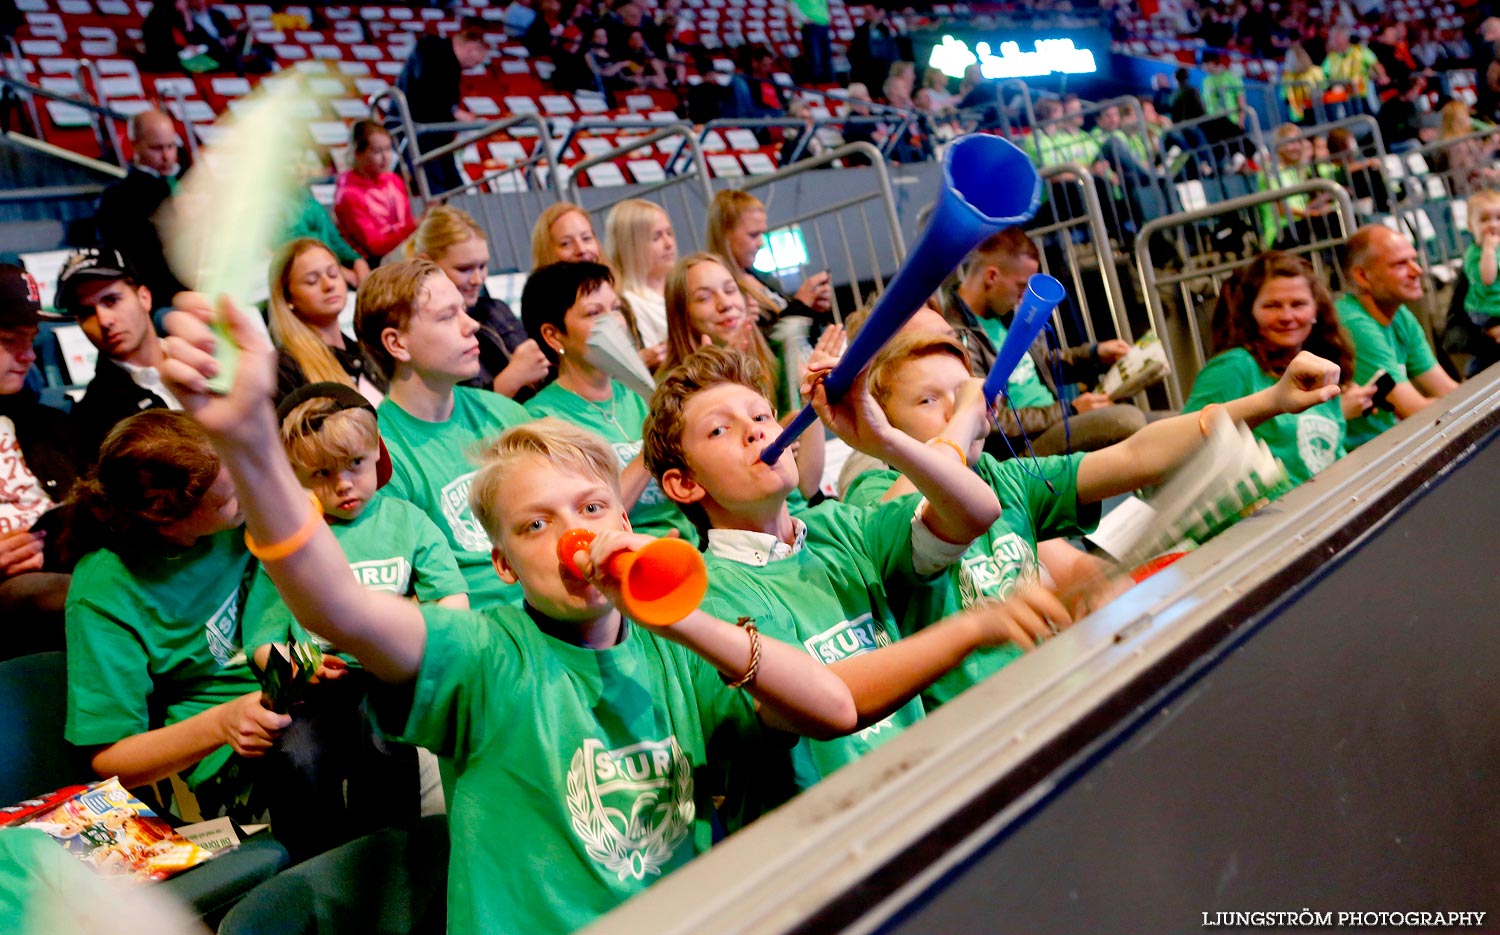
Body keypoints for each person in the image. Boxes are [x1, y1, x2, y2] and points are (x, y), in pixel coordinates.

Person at [156, 299, 955, 932]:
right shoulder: (483, 653)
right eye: (536, 524)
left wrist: (676, 615)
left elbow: (834, 705)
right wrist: (255, 445)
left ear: (627, 518)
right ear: (502, 564)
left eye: (592, 507)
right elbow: (332, 601)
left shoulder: (678, 640)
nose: (575, 534)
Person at [849, 324, 1347, 707]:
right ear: (882, 424)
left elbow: (1134, 457)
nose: (958, 412)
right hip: (974, 725)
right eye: (928, 400)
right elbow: (919, 505)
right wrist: (960, 421)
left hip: (1055, 693)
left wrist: (1271, 400)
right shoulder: (872, 495)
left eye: (965, 397)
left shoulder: (1007, 477)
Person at [642, 344, 1005, 804]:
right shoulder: (705, 597)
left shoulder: (840, 526)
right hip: (834, 844)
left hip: (932, 797)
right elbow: (834, 701)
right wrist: (970, 630)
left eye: (760, 417)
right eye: (719, 430)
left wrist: (882, 440)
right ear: (685, 483)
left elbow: (975, 513)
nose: (754, 434)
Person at [240, 383, 468, 846]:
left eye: (355, 465)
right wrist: (302, 664)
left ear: (377, 457)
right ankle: (313, 868)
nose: (343, 484)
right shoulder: (291, 543)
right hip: (314, 689)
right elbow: (259, 640)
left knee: (387, 751)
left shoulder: (407, 521)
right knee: (298, 759)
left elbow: (451, 600)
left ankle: (394, 859)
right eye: (322, 473)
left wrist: (424, 646)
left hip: (389, 676)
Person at [61, 411, 292, 825]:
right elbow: (112, 760)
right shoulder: (105, 594)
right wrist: (224, 723)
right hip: (242, 755)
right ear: (166, 522)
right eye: (227, 499)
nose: (245, 491)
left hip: (305, 687)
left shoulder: (236, 510)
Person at [353, 259, 532, 607]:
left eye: (463, 311)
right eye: (448, 316)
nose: (473, 325)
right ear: (397, 344)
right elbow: (404, 596)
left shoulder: (504, 414)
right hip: (472, 631)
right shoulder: (376, 456)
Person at [521, 262, 697, 543]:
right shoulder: (542, 419)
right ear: (553, 335)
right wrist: (652, 445)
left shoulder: (637, 394)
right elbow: (589, 516)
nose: (614, 322)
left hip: (693, 542)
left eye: (615, 308)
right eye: (594, 313)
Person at [941, 228, 1144, 456]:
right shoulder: (956, 335)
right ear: (991, 277)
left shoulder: (1004, 313)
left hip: (1055, 420)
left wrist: (1094, 355)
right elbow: (989, 418)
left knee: (1161, 425)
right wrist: (1069, 410)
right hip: (1024, 447)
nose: (1024, 296)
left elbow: (1039, 364)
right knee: (1128, 420)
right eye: (1020, 286)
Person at [1185, 252, 1374, 490]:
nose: (1287, 316)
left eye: (1298, 304)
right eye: (1272, 306)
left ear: (1317, 310)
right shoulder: (1233, 367)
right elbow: (1182, 446)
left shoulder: (1321, 367)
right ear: (1250, 312)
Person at [659, 253, 830, 501]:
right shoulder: (672, 388)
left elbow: (807, 485)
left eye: (730, 290)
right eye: (704, 297)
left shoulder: (770, 356)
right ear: (681, 313)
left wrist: (812, 403)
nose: (725, 303)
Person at [0, 265, 77, 660]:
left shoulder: (51, 425)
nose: (29, 355)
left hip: (71, 568)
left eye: (31, 339)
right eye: (9, 340)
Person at [54, 248, 181, 464]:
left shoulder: (206, 356)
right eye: (86, 313)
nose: (103, 320)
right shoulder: (93, 418)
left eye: (111, 300)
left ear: (144, 297)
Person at [1336, 226, 1459, 448]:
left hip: (1394, 444)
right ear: (1362, 276)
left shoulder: (1399, 314)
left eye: (1414, 260)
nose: (1417, 270)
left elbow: (1448, 391)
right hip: (1364, 458)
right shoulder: (1352, 323)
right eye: (1401, 264)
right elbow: (1417, 412)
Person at [410, 205, 550, 400]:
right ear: (426, 263)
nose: (478, 279)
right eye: (464, 268)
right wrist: (513, 378)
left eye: (482, 266)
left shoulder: (496, 309)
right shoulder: (422, 330)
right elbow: (455, 412)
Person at [267, 238, 387, 406]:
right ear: (287, 297)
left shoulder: (365, 351)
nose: (328, 284)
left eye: (333, 274)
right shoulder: (284, 368)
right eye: (312, 281)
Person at [94, 110, 186, 311]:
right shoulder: (118, 197)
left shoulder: (191, 181)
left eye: (171, 146)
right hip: (158, 297)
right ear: (135, 145)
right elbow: (125, 258)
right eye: (157, 148)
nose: (167, 156)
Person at [706, 189, 832, 332]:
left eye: (762, 234)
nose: (761, 243)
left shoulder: (760, 276)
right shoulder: (722, 293)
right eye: (753, 235)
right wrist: (800, 306)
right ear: (724, 235)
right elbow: (763, 342)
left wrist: (811, 309)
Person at [395, 18, 490, 198]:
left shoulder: (450, 63)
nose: (473, 67)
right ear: (471, 49)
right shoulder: (431, 48)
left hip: (437, 138)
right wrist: (456, 112)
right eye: (476, 61)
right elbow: (427, 86)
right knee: (436, 188)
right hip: (420, 131)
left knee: (454, 187)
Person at [334, 121, 418, 265]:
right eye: (377, 151)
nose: (385, 157)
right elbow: (375, 246)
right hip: (375, 263)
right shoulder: (348, 194)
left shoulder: (394, 179)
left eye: (387, 149)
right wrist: (414, 227)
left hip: (404, 251)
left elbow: (407, 222)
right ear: (358, 153)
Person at [604, 198, 675, 355]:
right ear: (630, 246)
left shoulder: (684, 287)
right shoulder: (627, 304)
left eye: (669, 233)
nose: (669, 243)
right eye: (656, 237)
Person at [1436, 99, 1500, 197]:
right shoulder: (1457, 144)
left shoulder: (1465, 140)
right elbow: (1471, 170)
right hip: (1467, 188)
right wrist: (1489, 148)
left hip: (1476, 182)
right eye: (1466, 115)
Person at [1462, 189, 1500, 345]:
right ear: (1471, 225)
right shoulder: (1474, 254)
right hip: (1486, 311)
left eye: (1499, 218)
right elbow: (1487, 279)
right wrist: (1489, 251)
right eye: (1484, 219)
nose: (1493, 224)